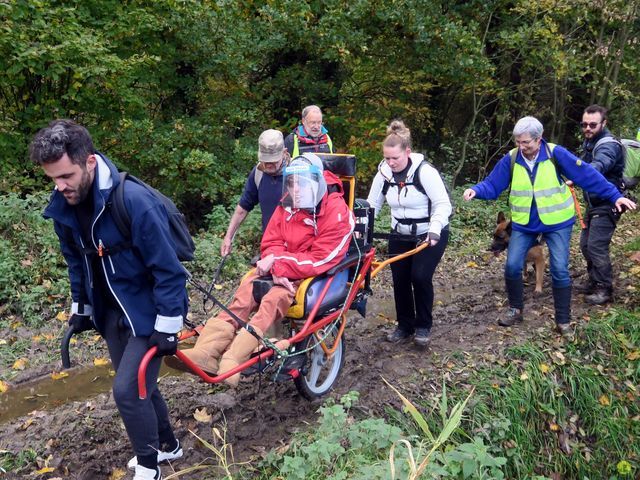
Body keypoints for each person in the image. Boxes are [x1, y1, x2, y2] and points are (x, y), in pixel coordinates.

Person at [31, 120, 188, 480]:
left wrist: (168, 326)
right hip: (112, 310)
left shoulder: (133, 201)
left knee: (128, 392)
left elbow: (169, 270)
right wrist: (81, 307)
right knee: (139, 385)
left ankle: (150, 469)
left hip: (148, 309)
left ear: (89, 161)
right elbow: (76, 260)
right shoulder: (64, 205)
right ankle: (168, 446)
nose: (60, 186)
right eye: (53, 178)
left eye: (66, 176)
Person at [166, 153, 354, 386]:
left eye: (301, 184)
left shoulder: (336, 212)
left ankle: (233, 360)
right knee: (245, 292)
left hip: (310, 276)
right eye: (292, 183)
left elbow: (321, 259)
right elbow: (271, 240)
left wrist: (278, 264)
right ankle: (206, 352)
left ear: (317, 183)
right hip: (281, 267)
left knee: (273, 299)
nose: (295, 190)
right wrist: (274, 264)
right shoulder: (288, 203)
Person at [463, 116, 636, 340]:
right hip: (525, 223)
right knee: (512, 266)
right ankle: (516, 309)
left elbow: (587, 175)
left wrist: (614, 196)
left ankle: (562, 320)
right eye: (517, 142)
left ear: (539, 138)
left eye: (526, 142)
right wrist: (476, 190)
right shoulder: (513, 158)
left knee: (560, 270)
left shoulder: (556, 154)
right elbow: (493, 184)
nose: (521, 147)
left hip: (557, 222)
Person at [366, 120, 452, 347]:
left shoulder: (425, 172)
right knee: (400, 280)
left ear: (407, 152)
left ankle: (423, 326)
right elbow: (372, 204)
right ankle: (405, 325)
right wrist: (360, 227)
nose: (391, 163)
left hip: (430, 232)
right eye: (387, 158)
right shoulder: (384, 174)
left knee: (420, 277)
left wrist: (434, 230)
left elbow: (443, 205)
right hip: (400, 234)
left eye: (395, 158)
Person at [577, 105, 627, 304]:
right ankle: (594, 280)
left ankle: (604, 289)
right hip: (594, 202)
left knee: (596, 246)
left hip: (609, 202)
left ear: (603, 123)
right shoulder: (590, 142)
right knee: (585, 245)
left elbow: (600, 164)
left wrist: (582, 175)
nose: (587, 128)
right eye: (584, 124)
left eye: (592, 124)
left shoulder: (607, 145)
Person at [221, 129, 289, 256]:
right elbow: (243, 208)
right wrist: (228, 237)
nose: (268, 165)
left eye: (273, 160)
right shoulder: (258, 173)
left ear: (284, 153)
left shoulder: (296, 174)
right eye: (265, 160)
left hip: (294, 247)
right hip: (270, 244)